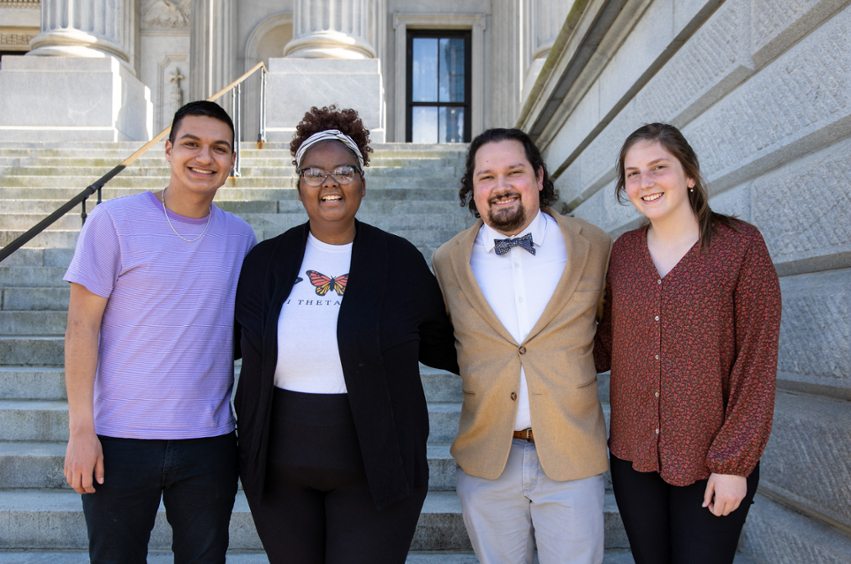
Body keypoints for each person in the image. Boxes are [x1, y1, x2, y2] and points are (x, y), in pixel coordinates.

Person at [233, 105, 458, 564]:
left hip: (378, 462)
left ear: (363, 181)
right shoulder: (265, 262)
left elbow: (446, 344)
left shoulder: (399, 262)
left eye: (344, 171)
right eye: (313, 172)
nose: (329, 183)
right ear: (299, 185)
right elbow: (233, 345)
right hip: (279, 469)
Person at [62, 100, 257, 563]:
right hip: (119, 440)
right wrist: (81, 431)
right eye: (191, 144)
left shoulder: (242, 238)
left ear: (232, 161)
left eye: (219, 148)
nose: (204, 157)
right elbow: (80, 328)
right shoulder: (114, 221)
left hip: (208, 444)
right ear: (168, 150)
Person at [594, 123, 782, 564]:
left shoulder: (741, 245)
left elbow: (757, 362)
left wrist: (733, 464)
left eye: (659, 168)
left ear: (690, 175)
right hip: (633, 456)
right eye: (633, 173)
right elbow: (607, 344)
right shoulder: (623, 253)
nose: (646, 182)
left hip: (711, 458)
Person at [431, 128, 612, 564]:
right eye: (486, 176)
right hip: (488, 457)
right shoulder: (447, 261)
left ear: (540, 177)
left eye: (514, 172)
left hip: (571, 452)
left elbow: (611, 331)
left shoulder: (594, 246)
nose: (501, 186)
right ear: (472, 188)